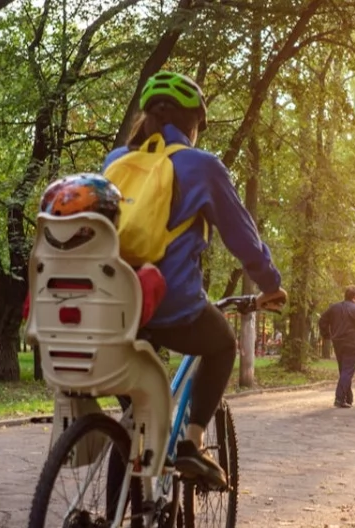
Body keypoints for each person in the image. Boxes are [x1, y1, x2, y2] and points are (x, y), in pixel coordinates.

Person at [103, 70, 286, 487]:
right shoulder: (200, 166)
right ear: (192, 123)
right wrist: (270, 284)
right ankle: (192, 443)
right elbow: (244, 239)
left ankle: (122, 519)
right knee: (222, 345)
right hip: (168, 303)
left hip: (113, 300)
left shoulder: (116, 162)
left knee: (136, 412)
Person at [318, 285, 355, 408]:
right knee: (347, 371)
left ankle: (348, 398)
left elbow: (322, 320)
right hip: (352, 343)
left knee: (344, 371)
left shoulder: (334, 308)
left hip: (338, 342)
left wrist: (327, 334)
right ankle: (339, 398)